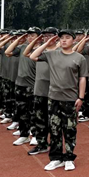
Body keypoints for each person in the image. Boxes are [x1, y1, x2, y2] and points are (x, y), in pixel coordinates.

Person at [31, 29, 88, 171]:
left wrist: (81, 97)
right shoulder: (52, 54)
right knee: (54, 129)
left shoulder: (79, 58)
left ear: (73, 40)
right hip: (53, 98)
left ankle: (69, 157)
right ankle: (56, 158)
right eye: (62, 38)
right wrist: (47, 44)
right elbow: (33, 56)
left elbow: (82, 78)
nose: (64, 40)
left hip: (70, 98)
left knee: (69, 129)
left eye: (67, 37)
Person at [25, 27, 59, 155]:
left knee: (54, 121)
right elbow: (27, 54)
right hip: (40, 89)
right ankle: (42, 144)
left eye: (50, 35)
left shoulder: (60, 51)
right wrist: (38, 41)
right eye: (45, 36)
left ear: (56, 37)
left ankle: (55, 147)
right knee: (40, 118)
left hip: (54, 90)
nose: (47, 38)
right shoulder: (40, 51)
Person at [6, 27, 41, 146]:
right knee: (22, 111)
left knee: (33, 112)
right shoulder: (22, 48)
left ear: (39, 37)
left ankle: (35, 135)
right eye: (28, 35)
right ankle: (24, 134)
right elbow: (8, 52)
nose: (30, 37)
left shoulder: (40, 50)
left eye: (33, 35)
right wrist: (20, 38)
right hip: (20, 84)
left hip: (33, 85)